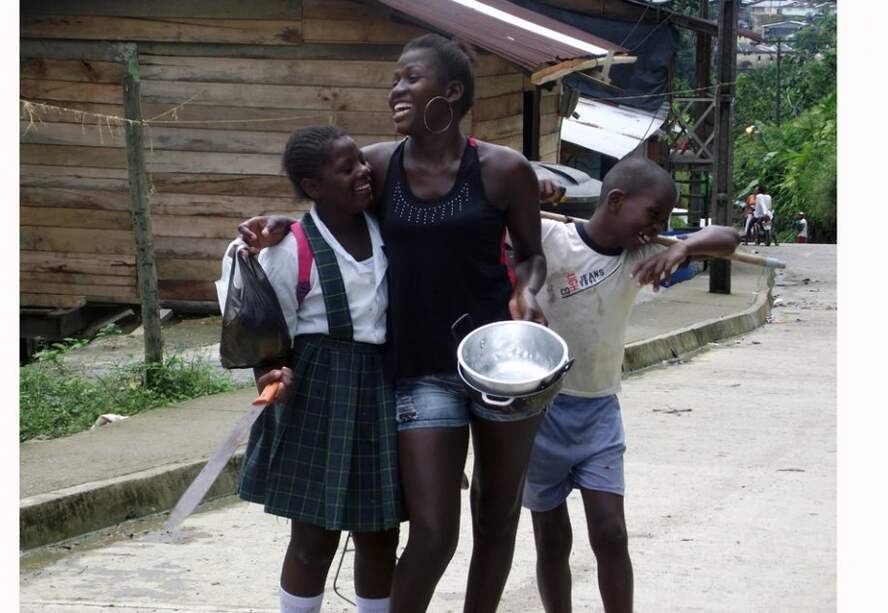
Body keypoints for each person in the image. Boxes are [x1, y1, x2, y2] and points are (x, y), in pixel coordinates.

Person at [236, 34, 547, 613]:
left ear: (450, 93)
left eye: (411, 78)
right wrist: (279, 223)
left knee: (497, 516)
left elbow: (530, 252)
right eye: (395, 80)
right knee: (432, 532)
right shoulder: (378, 165)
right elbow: (328, 211)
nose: (396, 90)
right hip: (419, 370)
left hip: (501, 364)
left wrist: (526, 292)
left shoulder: (505, 170)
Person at [527, 158, 739, 613]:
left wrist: (683, 247)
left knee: (611, 532)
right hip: (541, 411)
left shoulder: (643, 255)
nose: (657, 227)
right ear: (617, 201)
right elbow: (496, 203)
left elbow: (729, 238)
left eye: (663, 221)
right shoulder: (550, 236)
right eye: (654, 215)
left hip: (599, 410)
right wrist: (532, 190)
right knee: (551, 537)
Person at [217, 126, 403, 613]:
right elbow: (265, 328)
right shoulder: (289, 248)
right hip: (318, 389)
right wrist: (270, 371)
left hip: (382, 386)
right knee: (313, 537)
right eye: (346, 169)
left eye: (361, 160)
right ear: (313, 187)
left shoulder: (386, 226)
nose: (363, 172)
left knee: (381, 531)